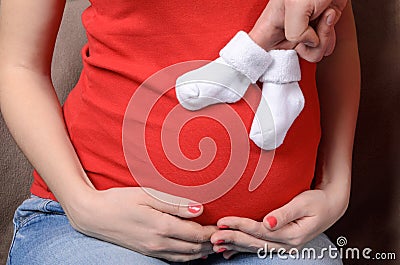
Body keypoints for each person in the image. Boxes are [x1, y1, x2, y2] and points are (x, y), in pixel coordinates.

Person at [0, 0, 359, 264]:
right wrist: (82, 203)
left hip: (270, 237)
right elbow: (18, 64)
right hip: (97, 228)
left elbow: (334, 42)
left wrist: (336, 187)